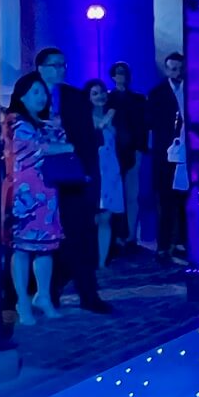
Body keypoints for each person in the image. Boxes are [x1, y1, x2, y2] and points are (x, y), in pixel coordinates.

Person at [35, 48, 113, 315]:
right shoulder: (30, 95)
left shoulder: (74, 96)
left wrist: (88, 171)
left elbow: (87, 139)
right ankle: (47, 290)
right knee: (46, 236)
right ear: (40, 68)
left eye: (62, 64)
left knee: (80, 233)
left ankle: (88, 293)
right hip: (38, 177)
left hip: (73, 174)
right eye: (53, 65)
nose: (59, 69)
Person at [0, 71, 73, 323]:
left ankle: (43, 295)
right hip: (24, 193)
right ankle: (22, 301)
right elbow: (33, 151)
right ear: (21, 96)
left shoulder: (45, 121)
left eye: (43, 92)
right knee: (21, 248)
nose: (41, 97)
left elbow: (59, 143)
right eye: (35, 92)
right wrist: (67, 147)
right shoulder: (15, 121)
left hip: (48, 191)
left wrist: (59, 133)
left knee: (46, 247)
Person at [147, 52, 187, 260]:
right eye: (173, 69)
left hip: (186, 153)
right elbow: (151, 122)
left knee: (184, 199)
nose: (177, 73)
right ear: (166, 69)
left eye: (180, 68)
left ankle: (181, 242)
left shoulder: (191, 90)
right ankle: (163, 245)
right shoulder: (157, 93)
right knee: (166, 200)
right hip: (166, 153)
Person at [108, 61, 148, 251]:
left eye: (124, 72)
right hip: (112, 154)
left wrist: (140, 149)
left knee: (132, 195)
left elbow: (143, 126)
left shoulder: (139, 100)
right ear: (113, 76)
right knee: (115, 196)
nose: (121, 76)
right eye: (118, 73)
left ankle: (131, 236)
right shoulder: (107, 99)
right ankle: (117, 236)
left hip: (133, 151)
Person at [87, 78, 124, 267]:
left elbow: (121, 138)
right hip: (93, 170)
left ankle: (102, 261)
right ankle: (90, 258)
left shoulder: (114, 115)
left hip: (111, 170)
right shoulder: (85, 118)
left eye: (102, 92)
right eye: (94, 93)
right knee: (93, 216)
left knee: (106, 216)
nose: (100, 96)